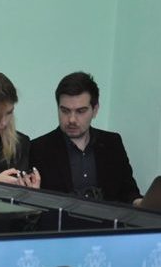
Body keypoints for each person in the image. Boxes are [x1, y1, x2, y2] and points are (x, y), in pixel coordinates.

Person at [29, 72, 142, 204]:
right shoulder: (39, 148)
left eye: (81, 111)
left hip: (107, 218)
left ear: (95, 110)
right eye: (65, 111)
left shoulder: (112, 143)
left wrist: (141, 203)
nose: (71, 119)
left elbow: (129, 192)